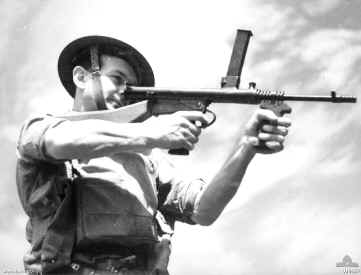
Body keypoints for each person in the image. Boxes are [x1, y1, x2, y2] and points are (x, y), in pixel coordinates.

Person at [16, 35, 291, 275]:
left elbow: (203, 211)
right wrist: (152, 133)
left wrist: (246, 146)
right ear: (81, 77)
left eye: (133, 87)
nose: (126, 92)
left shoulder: (148, 158)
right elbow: (58, 142)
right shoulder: (43, 127)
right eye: (117, 79)